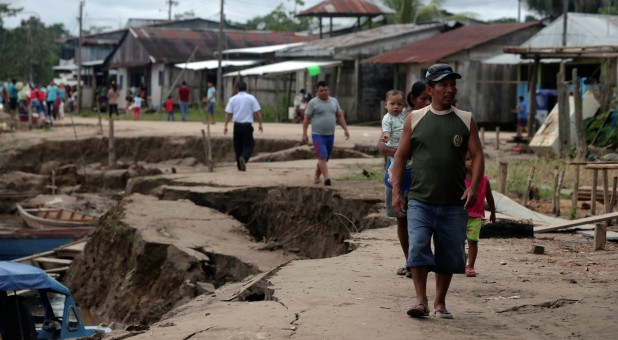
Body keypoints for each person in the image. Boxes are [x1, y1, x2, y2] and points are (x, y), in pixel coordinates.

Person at [391, 63, 484, 319]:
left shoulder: (465, 120)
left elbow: (477, 156)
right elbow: (400, 157)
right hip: (421, 200)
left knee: (448, 253)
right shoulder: (415, 118)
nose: (450, 89)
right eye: (444, 84)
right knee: (419, 246)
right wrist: (397, 192)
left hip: (454, 202)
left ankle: (440, 302)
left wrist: (474, 187)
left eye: (453, 84)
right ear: (430, 89)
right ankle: (420, 301)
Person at [378, 82, 431, 279]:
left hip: (420, 178)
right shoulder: (400, 118)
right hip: (397, 176)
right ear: (413, 99)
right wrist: (401, 153)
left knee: (420, 222)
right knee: (402, 219)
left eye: (429, 99)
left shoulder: (431, 118)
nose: (427, 103)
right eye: (423, 99)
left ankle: (418, 261)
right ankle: (411, 262)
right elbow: (382, 146)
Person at [302, 81, 350, 186]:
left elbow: (340, 116)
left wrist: (345, 129)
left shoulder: (334, 101)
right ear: (317, 91)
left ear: (328, 90)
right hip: (317, 135)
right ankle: (327, 178)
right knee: (322, 155)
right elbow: (306, 119)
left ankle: (316, 175)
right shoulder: (313, 103)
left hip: (330, 135)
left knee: (325, 157)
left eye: (326, 90)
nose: (324, 92)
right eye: (321, 90)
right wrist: (304, 134)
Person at [464, 151, 496, 278]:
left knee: (473, 241)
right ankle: (463, 258)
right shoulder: (460, 179)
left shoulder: (484, 180)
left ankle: (471, 266)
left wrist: (493, 212)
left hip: (475, 216)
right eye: (468, 159)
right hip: (460, 216)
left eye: (474, 159)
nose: (471, 161)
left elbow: (490, 198)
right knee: (457, 242)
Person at [223, 81, 263, 171]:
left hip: (236, 126)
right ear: (246, 88)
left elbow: (228, 113)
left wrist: (225, 125)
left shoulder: (232, 99)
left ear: (237, 89)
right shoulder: (251, 98)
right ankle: (244, 158)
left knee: (238, 146)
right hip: (247, 126)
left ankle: (239, 166)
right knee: (249, 144)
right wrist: (260, 124)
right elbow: (257, 112)